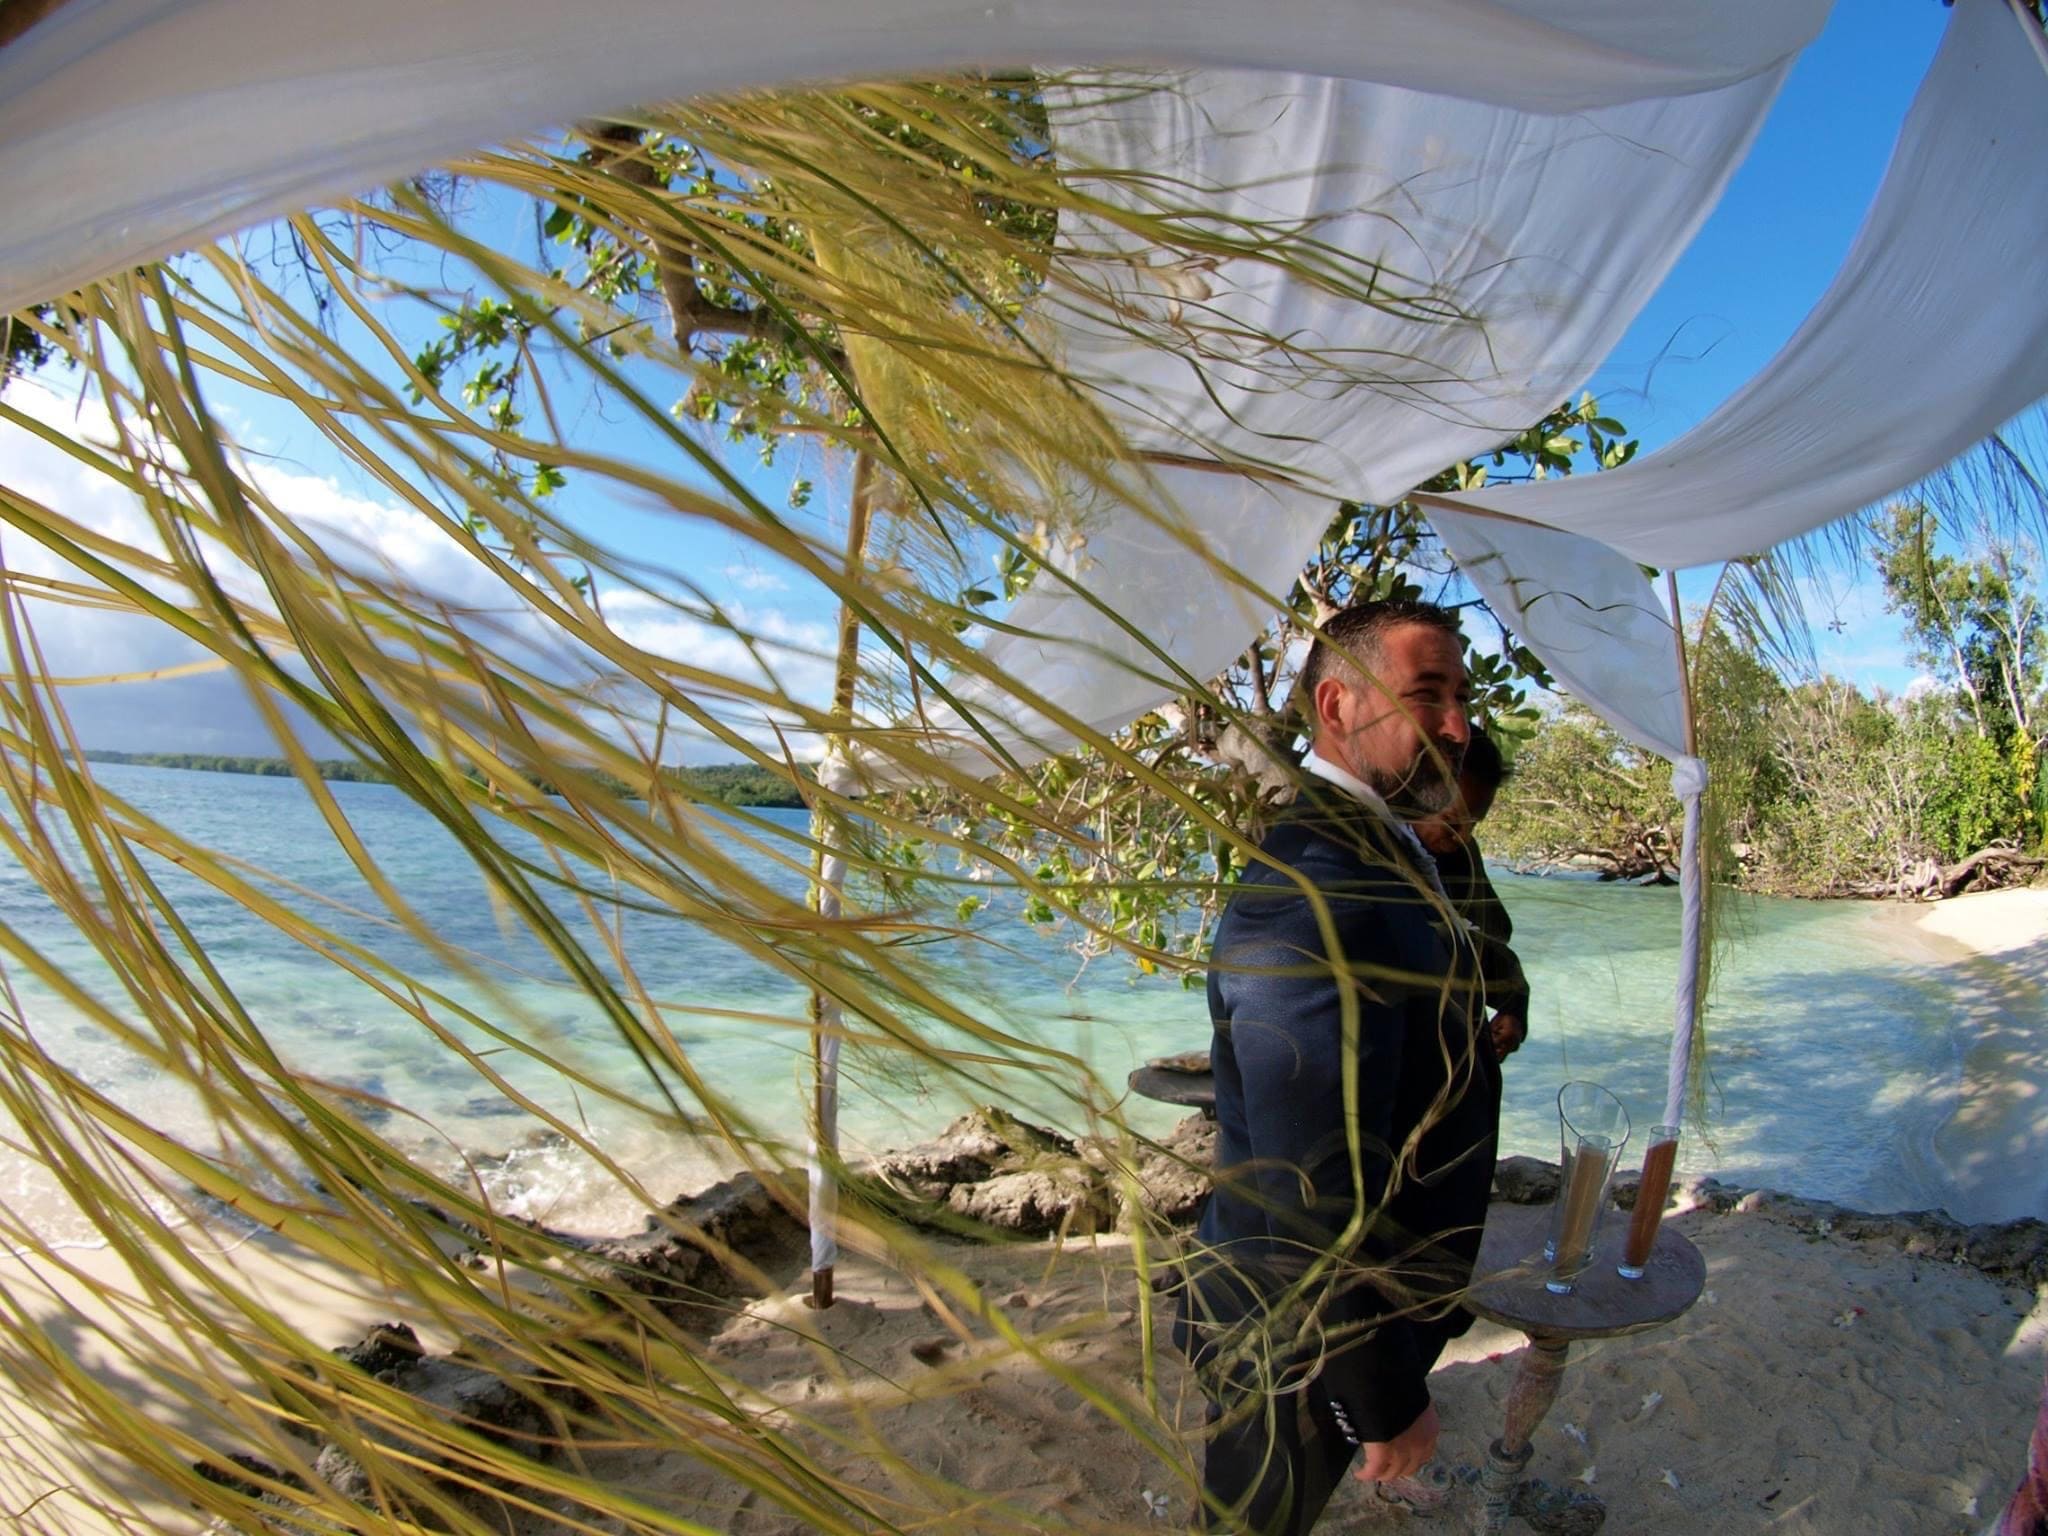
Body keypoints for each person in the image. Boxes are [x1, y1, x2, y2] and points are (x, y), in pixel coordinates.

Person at [1180, 598, 1500, 1535]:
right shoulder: (1313, 892)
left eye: (1463, 698)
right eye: (1426, 695)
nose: (1456, 726)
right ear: (1334, 706)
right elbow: (1302, 1194)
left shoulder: (1385, 850)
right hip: (1297, 1338)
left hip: (1350, 1310)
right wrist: (1382, 1397)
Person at [1413, 728, 1530, 1063]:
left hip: (1459, 1061)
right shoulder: (1365, 859)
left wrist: (1514, 1008)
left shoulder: (1460, 853)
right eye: (1451, 821)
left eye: (1473, 825)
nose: (1462, 836)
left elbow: (1485, 941)